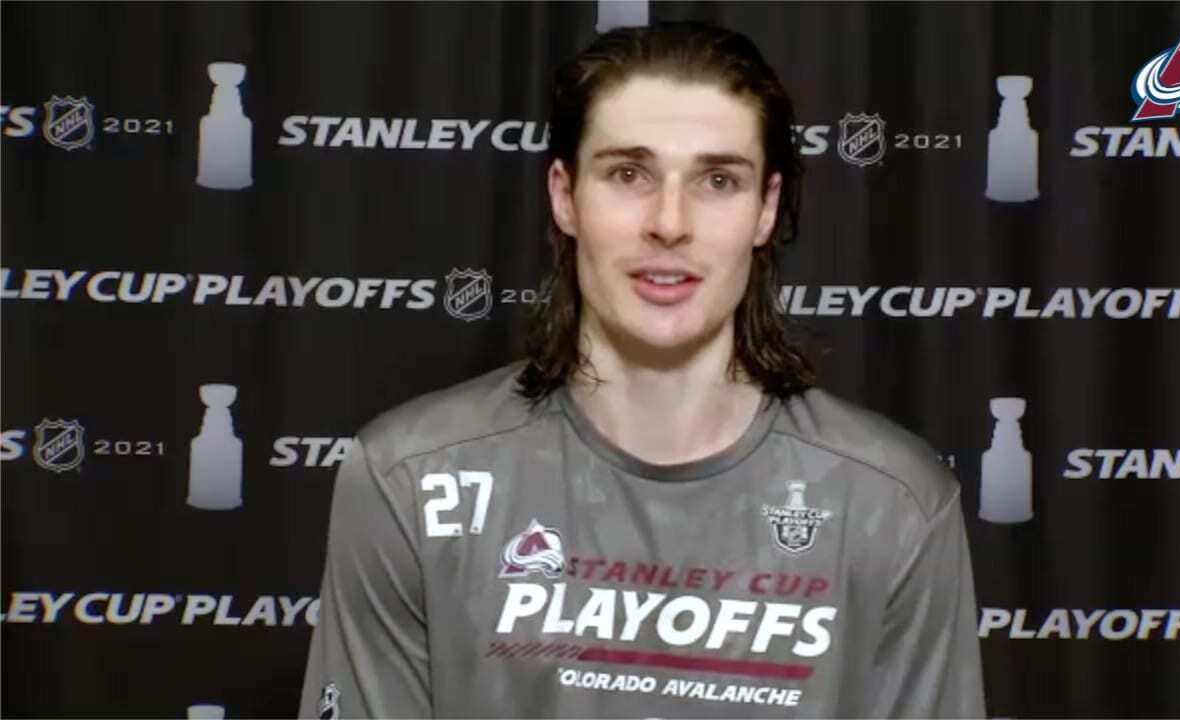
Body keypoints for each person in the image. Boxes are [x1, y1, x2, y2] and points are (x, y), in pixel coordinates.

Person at [299, 20, 986, 719]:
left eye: (718, 180)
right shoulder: (410, 478)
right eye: (629, 174)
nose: (669, 221)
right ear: (565, 195)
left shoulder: (892, 504)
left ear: (766, 209)